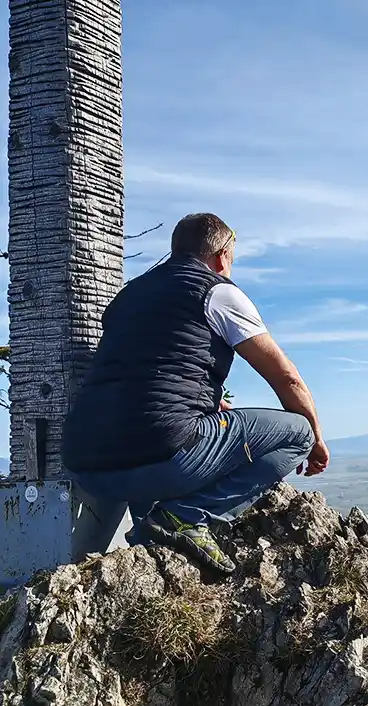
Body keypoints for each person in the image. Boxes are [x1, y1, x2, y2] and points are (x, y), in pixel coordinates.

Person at [62, 213, 329, 574]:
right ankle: (185, 517)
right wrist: (316, 440)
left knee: (166, 436)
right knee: (297, 432)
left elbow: (144, 375)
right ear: (221, 257)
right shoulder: (217, 291)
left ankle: (150, 540)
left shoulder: (127, 298)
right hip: (162, 457)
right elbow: (287, 379)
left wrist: (206, 402)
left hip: (88, 466)